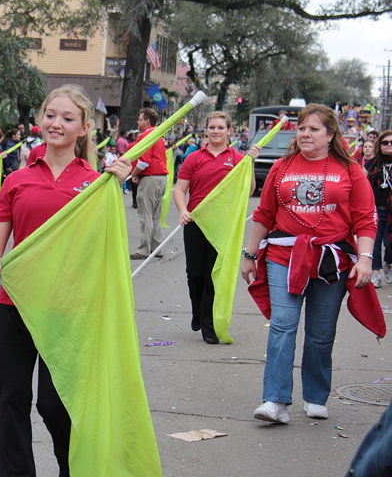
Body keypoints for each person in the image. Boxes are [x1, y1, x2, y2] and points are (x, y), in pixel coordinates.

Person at [0, 84, 131, 477]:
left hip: (68, 309)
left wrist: (117, 187)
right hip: (16, 306)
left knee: (53, 403)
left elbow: (108, 246)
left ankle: (70, 468)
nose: (56, 124)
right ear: (39, 121)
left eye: (67, 118)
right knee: (12, 401)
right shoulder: (17, 179)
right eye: (50, 115)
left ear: (84, 128)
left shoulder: (96, 183)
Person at [240, 104, 378, 424]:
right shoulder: (282, 167)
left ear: (330, 136)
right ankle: (275, 400)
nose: (305, 134)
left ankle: (316, 397)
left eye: (314, 129)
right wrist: (249, 255)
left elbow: (365, 221)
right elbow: (264, 214)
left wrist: (366, 259)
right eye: (302, 128)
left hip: (332, 261)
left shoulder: (351, 170)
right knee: (282, 326)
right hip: (283, 257)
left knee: (320, 333)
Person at [173, 112, 261, 344]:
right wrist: (183, 210)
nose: (216, 131)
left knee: (214, 275)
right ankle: (197, 311)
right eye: (211, 127)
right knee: (195, 274)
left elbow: (249, 191)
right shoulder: (194, 157)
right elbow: (180, 189)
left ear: (229, 131)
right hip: (195, 222)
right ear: (206, 131)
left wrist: (250, 164)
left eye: (221, 127)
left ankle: (208, 325)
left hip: (223, 227)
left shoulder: (238, 158)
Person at [129, 108, 168, 260]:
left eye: (140, 120)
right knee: (155, 215)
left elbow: (144, 161)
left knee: (145, 214)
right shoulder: (158, 135)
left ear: (147, 121)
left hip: (150, 178)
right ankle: (157, 247)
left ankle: (144, 249)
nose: (138, 122)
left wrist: (134, 174)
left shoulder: (146, 136)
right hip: (161, 177)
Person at [364, 129, 392, 288]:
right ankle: (376, 273)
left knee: (389, 244)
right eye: (385, 142)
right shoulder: (372, 163)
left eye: (391, 143)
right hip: (375, 209)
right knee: (374, 243)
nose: (389, 145)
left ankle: (388, 263)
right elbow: (358, 181)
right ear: (379, 145)